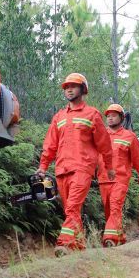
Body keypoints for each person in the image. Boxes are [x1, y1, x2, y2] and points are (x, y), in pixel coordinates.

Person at [37, 73, 114, 255]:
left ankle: (64, 243)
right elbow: (50, 144)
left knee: (72, 207)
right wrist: (43, 166)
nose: (69, 89)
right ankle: (79, 247)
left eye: (73, 86)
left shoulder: (92, 114)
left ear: (83, 89)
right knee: (71, 211)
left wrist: (109, 167)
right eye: (66, 87)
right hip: (62, 169)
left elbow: (105, 144)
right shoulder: (59, 117)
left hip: (82, 167)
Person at [97, 104, 139, 246]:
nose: (110, 118)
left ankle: (110, 239)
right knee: (108, 210)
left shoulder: (129, 136)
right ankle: (120, 237)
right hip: (103, 179)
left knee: (115, 206)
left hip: (120, 178)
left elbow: (138, 159)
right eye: (108, 116)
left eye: (113, 115)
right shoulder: (101, 135)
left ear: (121, 118)